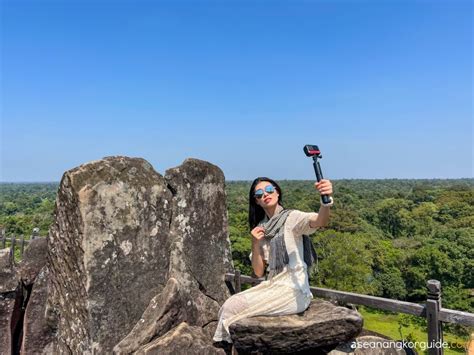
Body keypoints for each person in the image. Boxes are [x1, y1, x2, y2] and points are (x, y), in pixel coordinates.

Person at [213, 177, 333, 345]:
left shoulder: (292, 217)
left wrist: (325, 201)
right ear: (257, 201)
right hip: (272, 285)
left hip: (294, 290)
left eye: (269, 189)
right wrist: (255, 243)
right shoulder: (261, 228)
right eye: (259, 194)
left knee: (232, 308)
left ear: (277, 191)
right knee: (228, 306)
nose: (266, 194)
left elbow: (320, 221)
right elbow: (258, 272)